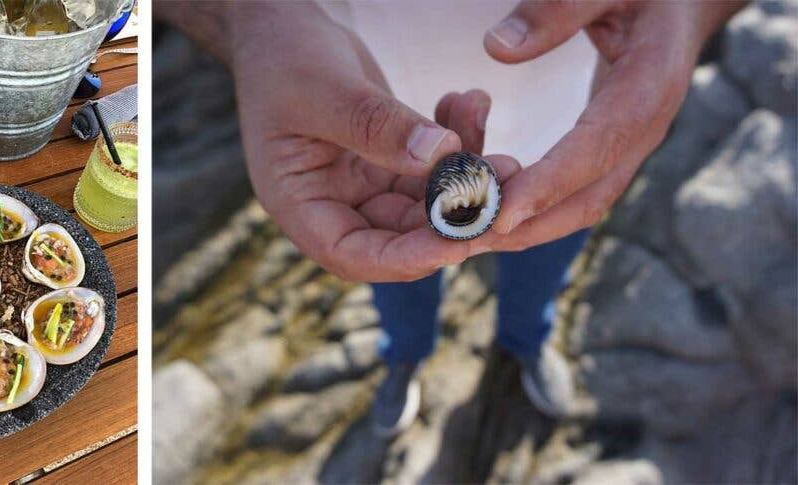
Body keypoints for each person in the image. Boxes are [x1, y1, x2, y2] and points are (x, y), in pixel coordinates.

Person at [156, 0, 744, 435]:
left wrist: (686, 14)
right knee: (401, 285)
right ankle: (405, 358)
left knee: (540, 276)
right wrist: (247, 19)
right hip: (365, 158)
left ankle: (525, 343)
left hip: (573, 144)